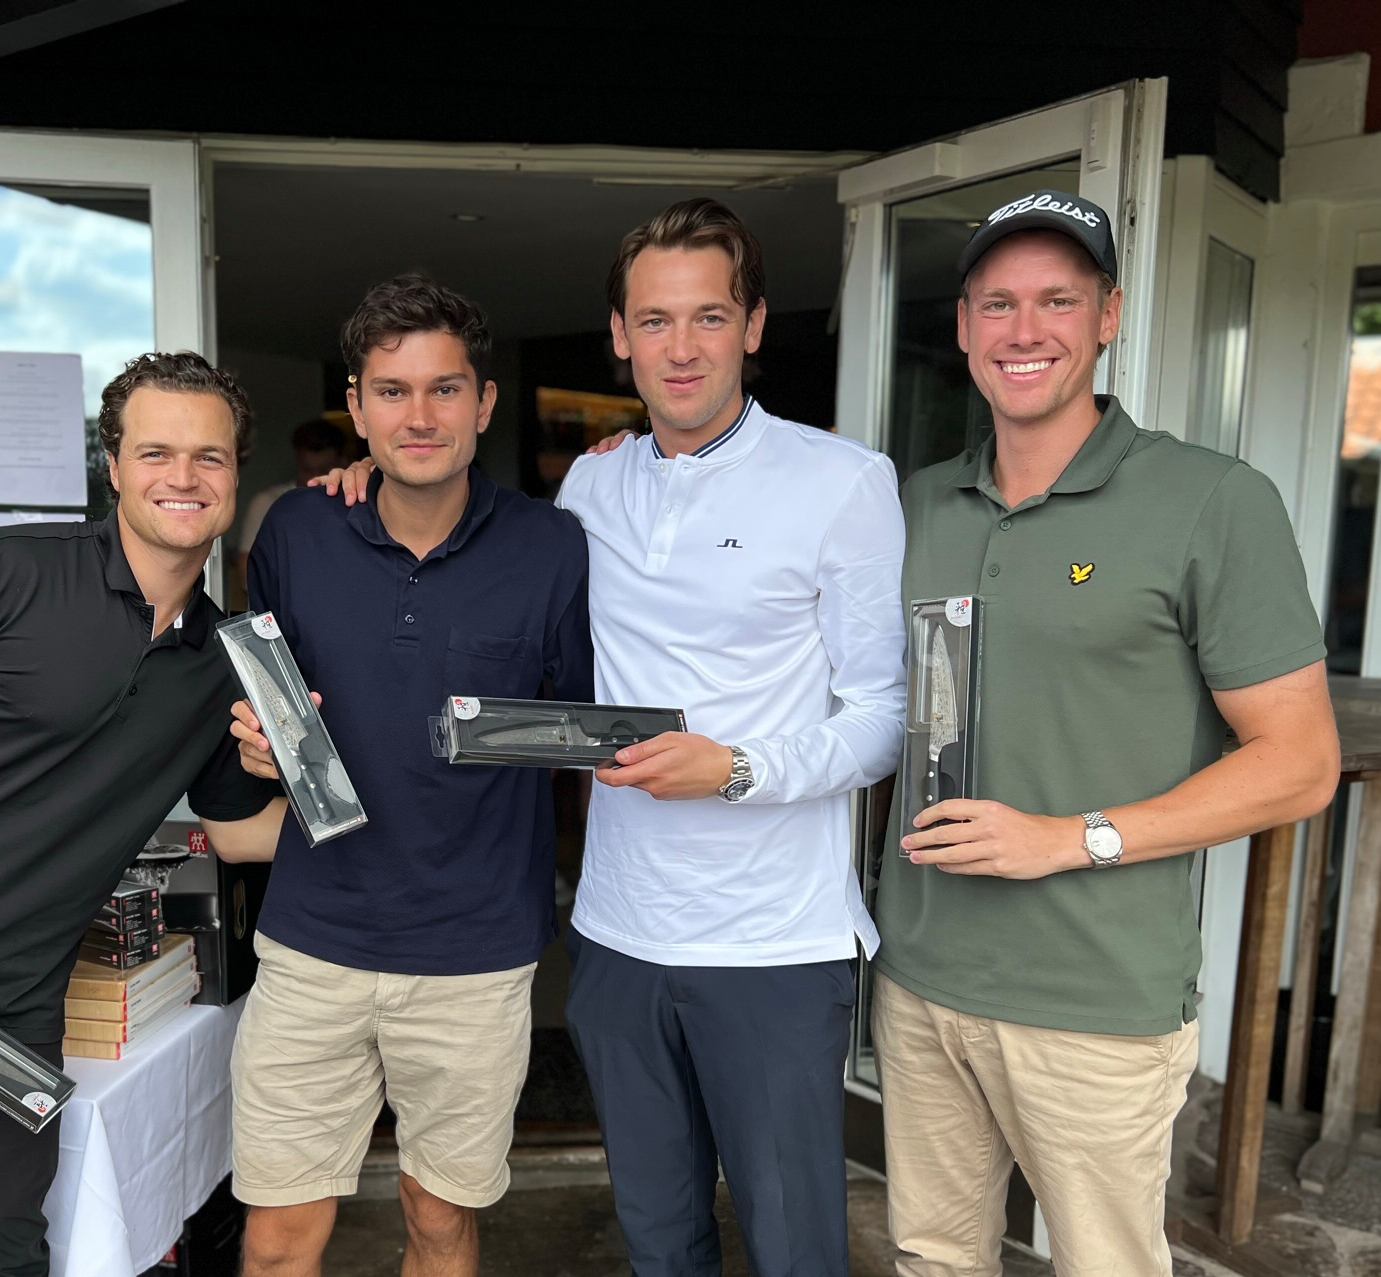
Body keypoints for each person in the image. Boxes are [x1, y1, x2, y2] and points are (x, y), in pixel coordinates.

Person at [317, 200, 907, 1277]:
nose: (681, 347)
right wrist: (375, 478)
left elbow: (878, 718)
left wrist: (737, 768)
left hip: (771, 945)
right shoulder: (593, 481)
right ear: (619, 336)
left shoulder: (843, 481)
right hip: (618, 935)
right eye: (654, 320)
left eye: (709, 316)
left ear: (753, 325)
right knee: (658, 1238)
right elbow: (482, 549)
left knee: (794, 1247)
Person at [870, 190, 1341, 1276]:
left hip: (1093, 1001)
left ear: (1108, 316)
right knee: (933, 1258)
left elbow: (1300, 762)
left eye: (1057, 299)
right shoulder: (915, 504)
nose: (1023, 329)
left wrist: (1068, 836)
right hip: (922, 978)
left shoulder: (1211, 500)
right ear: (963, 327)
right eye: (997, 303)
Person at [227, 274, 593, 1277]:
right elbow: (269, 698)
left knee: (438, 1221)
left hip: (474, 953)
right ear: (356, 408)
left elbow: (587, 729)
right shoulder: (296, 531)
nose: (418, 415)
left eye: (444, 388)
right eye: (391, 391)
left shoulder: (553, 546)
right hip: (313, 941)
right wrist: (258, 741)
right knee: (275, 1239)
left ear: (484, 401)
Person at [0, 351, 285, 1277]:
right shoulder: (17, 574)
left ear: (235, 475)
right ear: (114, 465)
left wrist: (396, 813)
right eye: (156, 451)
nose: (183, 476)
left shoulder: (228, 664)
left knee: (13, 1242)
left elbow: (238, 833)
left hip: (21, 1007)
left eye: (210, 456)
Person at [232, 417, 348, 607]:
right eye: (307, 470)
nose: (314, 479)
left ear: (343, 463)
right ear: (297, 461)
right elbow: (247, 574)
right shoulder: (269, 503)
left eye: (323, 471)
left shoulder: (354, 504)